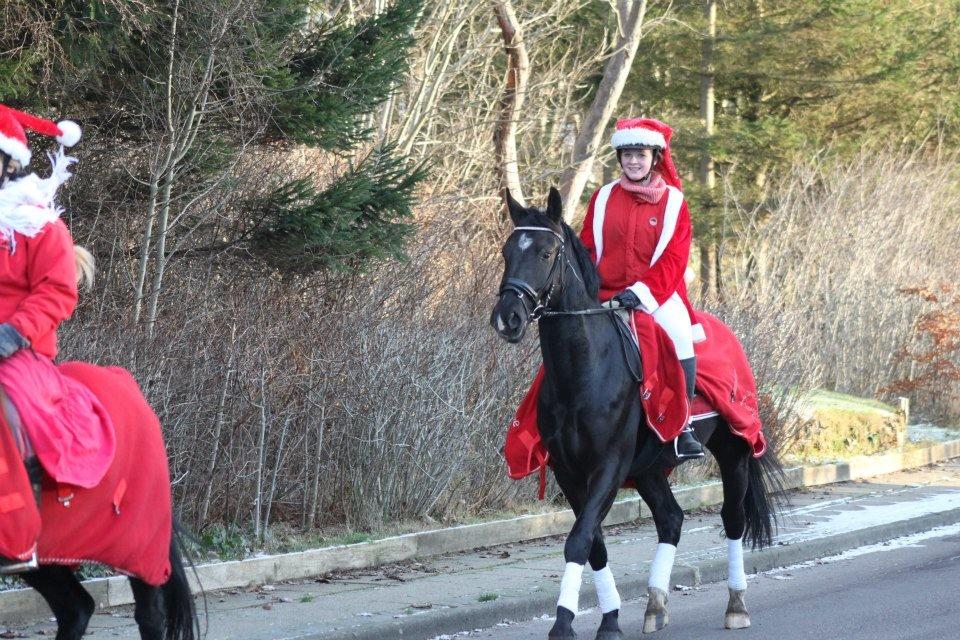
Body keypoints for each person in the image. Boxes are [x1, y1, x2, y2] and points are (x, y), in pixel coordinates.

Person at [0, 104, 94, 574]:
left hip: (18, 349)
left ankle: (12, 534)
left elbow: (58, 291)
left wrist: (11, 333)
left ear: (10, 163)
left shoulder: (41, 225)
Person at [579, 117, 705, 459]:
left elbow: (674, 258)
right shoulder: (602, 197)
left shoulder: (674, 202)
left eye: (641, 154)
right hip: (606, 294)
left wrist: (641, 294)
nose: (633, 161)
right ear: (619, 157)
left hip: (656, 294)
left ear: (654, 158)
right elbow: (588, 247)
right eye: (627, 154)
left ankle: (684, 426)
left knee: (679, 331)